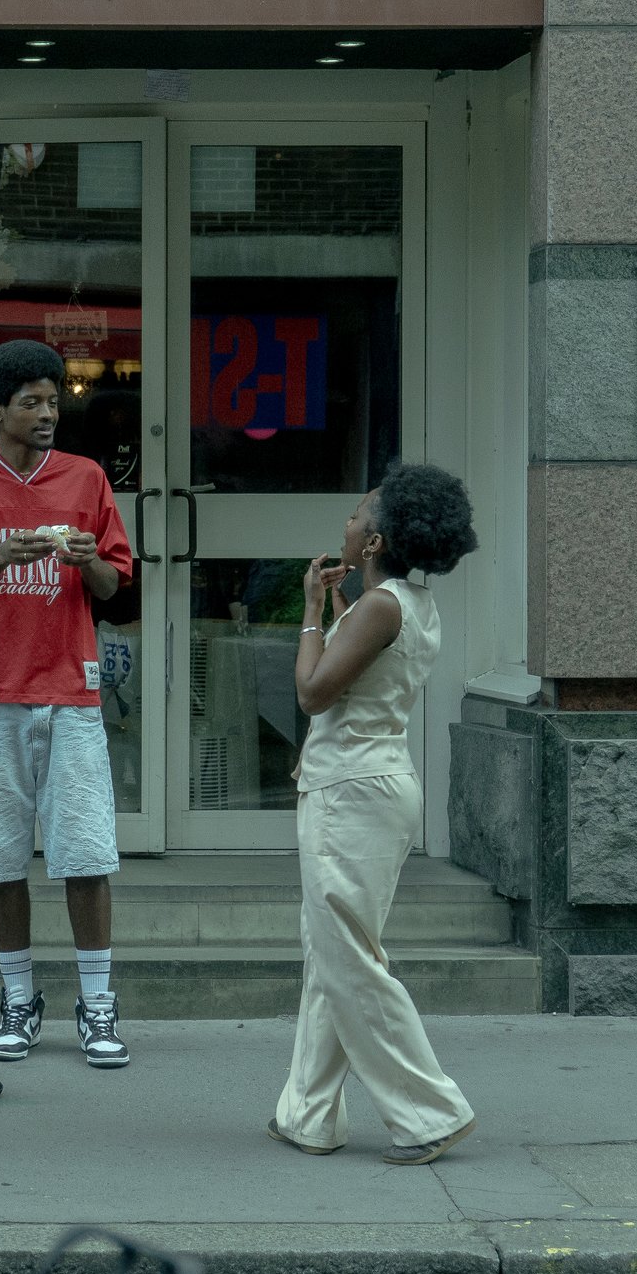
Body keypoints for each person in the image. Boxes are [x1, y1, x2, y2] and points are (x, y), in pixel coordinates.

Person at [0, 340, 135, 1068]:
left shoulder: (87, 479)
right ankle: (19, 998)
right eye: (31, 401)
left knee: (85, 853)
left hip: (70, 690)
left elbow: (114, 590)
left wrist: (87, 560)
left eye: (53, 399)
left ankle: (97, 1005)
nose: (48, 412)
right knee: (1, 857)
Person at [269, 463, 479, 1166]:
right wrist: (334, 614)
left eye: (358, 516)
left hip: (349, 794)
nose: (347, 523)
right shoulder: (407, 603)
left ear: (376, 539)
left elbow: (313, 692)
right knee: (333, 951)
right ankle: (308, 1113)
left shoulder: (380, 607)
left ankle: (430, 1111)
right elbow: (359, 687)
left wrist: (307, 611)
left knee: (349, 959)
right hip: (374, 783)